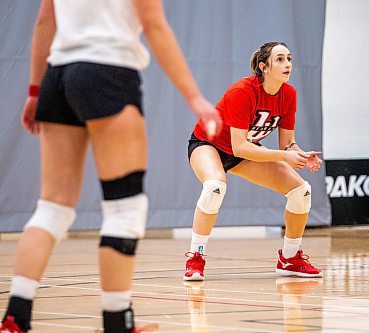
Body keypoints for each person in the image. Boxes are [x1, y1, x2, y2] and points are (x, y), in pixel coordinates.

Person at [0, 0, 221, 332]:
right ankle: (117, 323)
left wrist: (35, 90)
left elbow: (45, 20)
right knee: (125, 208)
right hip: (107, 71)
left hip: (57, 76)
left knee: (52, 208)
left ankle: (15, 319)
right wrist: (194, 98)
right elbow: (155, 25)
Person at [184, 41, 323, 282]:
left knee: (302, 191)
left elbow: (287, 142)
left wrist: (299, 154)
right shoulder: (242, 91)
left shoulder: (289, 94)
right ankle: (196, 257)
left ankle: (289, 259)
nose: (287, 64)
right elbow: (240, 146)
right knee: (215, 187)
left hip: (244, 152)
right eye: (280, 59)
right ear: (264, 66)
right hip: (209, 144)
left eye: (289, 58)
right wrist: (284, 156)